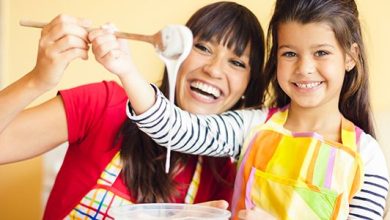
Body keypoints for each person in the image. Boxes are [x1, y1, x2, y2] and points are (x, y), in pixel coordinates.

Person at [100, 0, 389, 219]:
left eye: (322, 53)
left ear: (350, 57)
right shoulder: (251, 127)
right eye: (289, 53)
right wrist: (126, 71)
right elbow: (177, 129)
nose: (305, 68)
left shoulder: (367, 157)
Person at [0, 2, 266, 219]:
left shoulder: (226, 177)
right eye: (203, 47)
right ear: (176, 54)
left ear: (248, 85)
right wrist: (38, 79)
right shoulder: (104, 105)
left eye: (237, 62)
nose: (214, 69)